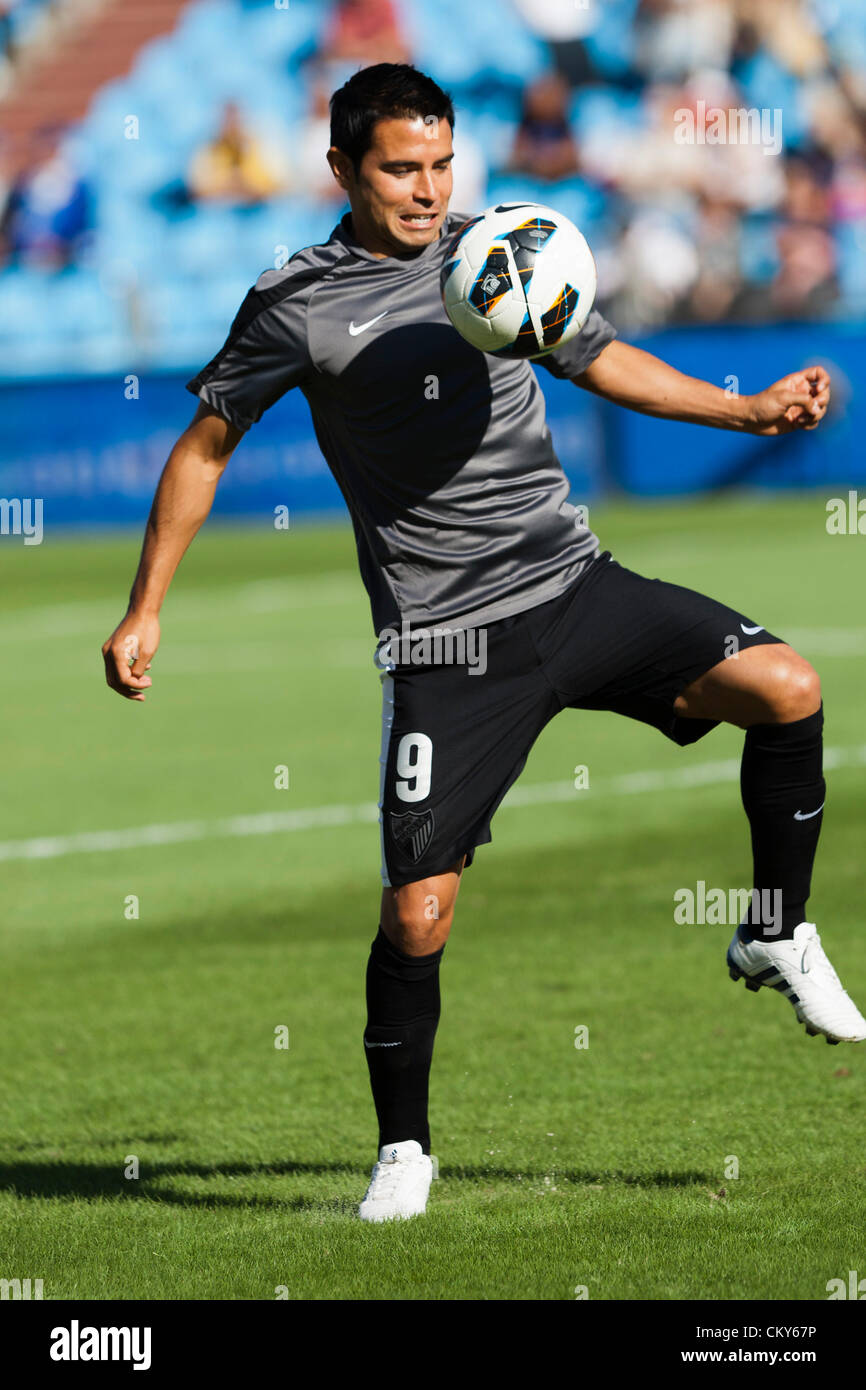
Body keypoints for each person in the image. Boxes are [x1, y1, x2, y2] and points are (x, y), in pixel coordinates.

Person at [101, 63, 866, 1226]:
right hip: (447, 643)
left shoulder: (502, 250)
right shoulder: (296, 302)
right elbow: (205, 446)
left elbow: (597, 356)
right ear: (342, 172)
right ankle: (403, 1146)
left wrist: (745, 409)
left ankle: (773, 930)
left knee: (786, 686)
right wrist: (146, 605)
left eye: (441, 163)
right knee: (416, 913)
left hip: (571, 584)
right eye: (400, 169)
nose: (426, 188)